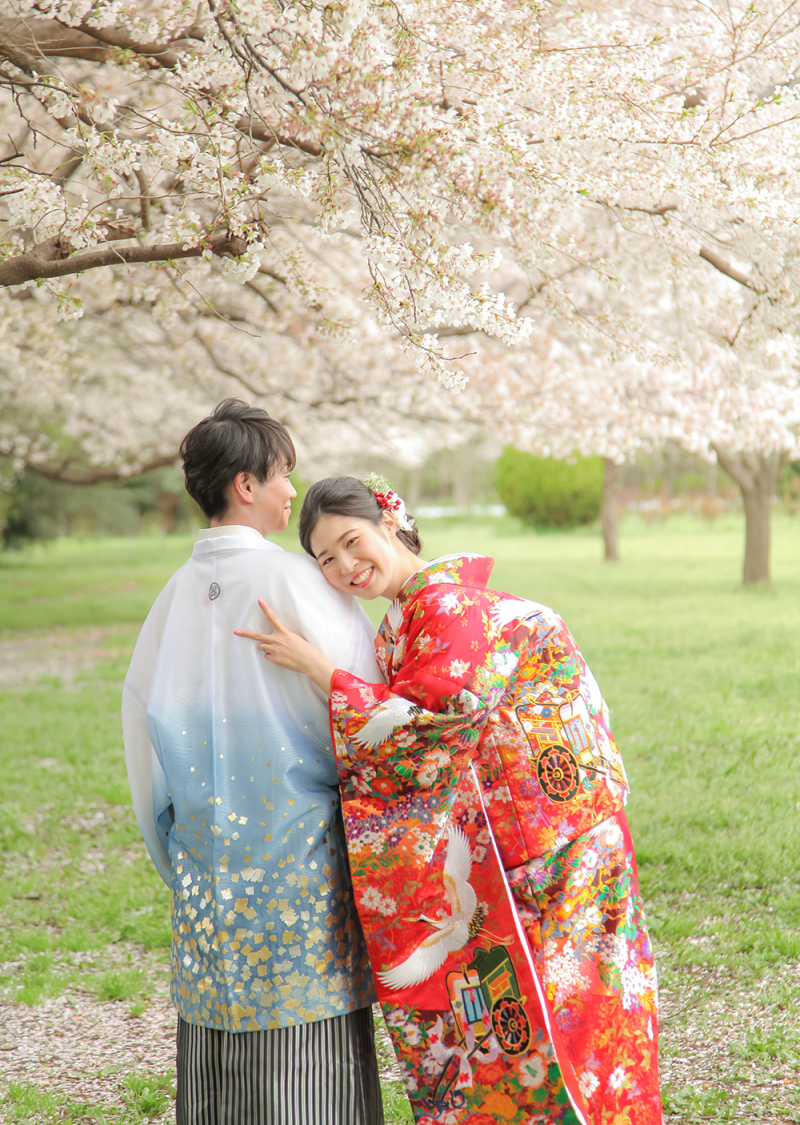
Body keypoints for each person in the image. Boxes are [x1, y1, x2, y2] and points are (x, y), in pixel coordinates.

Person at [236, 474, 663, 1125]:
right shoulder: (412, 616)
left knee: (572, 1013)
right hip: (541, 829)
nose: (346, 567)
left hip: (555, 840)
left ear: (390, 522)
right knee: (557, 1008)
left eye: (352, 543)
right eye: (326, 559)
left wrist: (323, 672)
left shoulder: (447, 607)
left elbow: (435, 722)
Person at [122, 403, 385, 1125]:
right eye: (282, 475)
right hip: (302, 851)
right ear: (245, 483)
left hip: (206, 860)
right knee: (311, 1054)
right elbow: (365, 712)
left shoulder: (172, 600)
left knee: (218, 1053)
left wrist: (174, 851)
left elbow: (145, 752)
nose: (290, 492)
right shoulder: (301, 583)